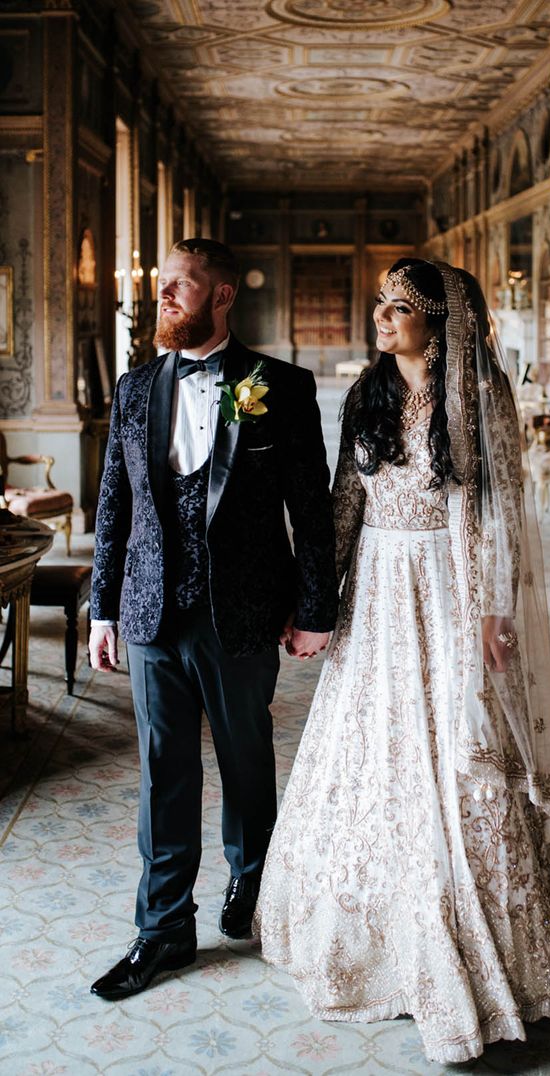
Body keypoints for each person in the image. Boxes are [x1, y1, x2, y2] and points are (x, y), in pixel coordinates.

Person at [255, 258, 550, 1064]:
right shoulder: (367, 394)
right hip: (376, 588)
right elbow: (343, 503)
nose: (383, 316)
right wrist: (316, 602)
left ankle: (479, 939)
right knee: (369, 747)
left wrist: (494, 609)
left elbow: (499, 506)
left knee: (461, 749)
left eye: (399, 306)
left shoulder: (479, 396)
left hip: (447, 585)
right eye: (379, 304)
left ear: (439, 319)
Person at [88, 238, 337, 1000]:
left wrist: (316, 609)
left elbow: (312, 509)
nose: (163, 297)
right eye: (161, 285)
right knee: (164, 773)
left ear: (223, 294)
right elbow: (114, 503)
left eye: (180, 286)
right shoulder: (133, 390)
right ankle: (162, 932)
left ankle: (253, 889)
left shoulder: (282, 388)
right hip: (150, 613)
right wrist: (102, 608)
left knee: (245, 761)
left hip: (247, 611)